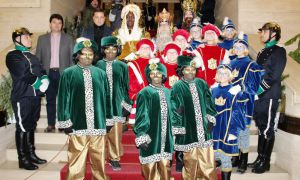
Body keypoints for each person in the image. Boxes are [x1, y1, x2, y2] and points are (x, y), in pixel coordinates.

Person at [57, 38, 111, 179]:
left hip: (98, 124)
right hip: (77, 124)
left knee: (99, 157)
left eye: (90, 54)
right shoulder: (68, 74)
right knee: (76, 158)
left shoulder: (101, 74)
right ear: (77, 55)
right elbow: (63, 99)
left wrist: (109, 119)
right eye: (84, 53)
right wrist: (65, 121)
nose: (87, 57)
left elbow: (107, 99)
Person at [6, 27, 48, 170]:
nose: (29, 39)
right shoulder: (13, 55)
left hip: (35, 97)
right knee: (23, 127)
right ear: (17, 39)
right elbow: (23, 74)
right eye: (26, 37)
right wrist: (38, 84)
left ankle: (31, 154)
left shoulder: (31, 55)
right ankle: (22, 159)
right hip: (22, 96)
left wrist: (45, 78)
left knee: (31, 125)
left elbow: (41, 70)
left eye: (29, 37)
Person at [171, 55, 217, 179]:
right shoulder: (177, 86)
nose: (190, 72)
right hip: (188, 129)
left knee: (207, 161)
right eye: (187, 69)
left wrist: (211, 118)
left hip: (204, 128)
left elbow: (209, 102)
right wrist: (178, 128)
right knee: (190, 161)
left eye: (193, 69)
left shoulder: (202, 83)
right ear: (182, 70)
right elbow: (175, 110)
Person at [249, 22, 287, 174]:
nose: (261, 34)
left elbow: (274, 75)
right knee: (260, 127)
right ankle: (259, 157)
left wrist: (259, 89)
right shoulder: (262, 52)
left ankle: (266, 161)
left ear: (273, 34)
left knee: (267, 128)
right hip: (259, 96)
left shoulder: (279, 51)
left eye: (264, 31)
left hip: (269, 94)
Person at [229, 32, 265, 173]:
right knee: (233, 131)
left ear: (245, 48)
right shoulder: (231, 63)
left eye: (240, 46)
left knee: (243, 132)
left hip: (244, 103)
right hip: (232, 102)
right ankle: (236, 157)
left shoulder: (252, 65)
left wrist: (241, 87)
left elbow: (255, 86)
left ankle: (244, 159)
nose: (237, 49)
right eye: (235, 47)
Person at [95, 36, 132, 171]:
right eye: (107, 49)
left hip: (117, 104)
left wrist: (127, 105)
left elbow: (126, 86)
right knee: (101, 133)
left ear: (118, 50)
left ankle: (114, 158)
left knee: (115, 134)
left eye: (114, 49)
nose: (111, 52)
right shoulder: (98, 65)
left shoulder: (123, 66)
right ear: (103, 50)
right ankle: (100, 157)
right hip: (102, 105)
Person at [134, 60, 173, 180]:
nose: (156, 75)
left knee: (165, 164)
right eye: (152, 73)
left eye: (158, 73)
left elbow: (174, 114)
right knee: (150, 167)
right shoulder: (144, 93)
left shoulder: (169, 92)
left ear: (163, 75)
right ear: (149, 76)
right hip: (151, 135)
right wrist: (141, 135)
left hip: (166, 137)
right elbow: (141, 115)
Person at [36, 14, 74, 133]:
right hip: (48, 74)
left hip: (63, 74)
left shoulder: (68, 39)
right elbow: (38, 58)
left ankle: (63, 123)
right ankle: (51, 124)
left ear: (62, 25)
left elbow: (72, 58)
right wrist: (40, 75)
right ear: (50, 24)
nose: (57, 25)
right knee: (50, 100)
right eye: (54, 22)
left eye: (59, 23)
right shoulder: (42, 39)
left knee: (64, 100)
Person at [211, 64, 248, 180]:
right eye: (220, 73)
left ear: (230, 76)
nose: (222, 76)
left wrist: (233, 131)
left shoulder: (234, 90)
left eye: (225, 74)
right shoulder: (213, 89)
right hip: (215, 128)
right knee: (215, 153)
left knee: (226, 157)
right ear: (217, 75)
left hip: (227, 127)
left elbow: (239, 111)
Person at [127, 38, 156, 125]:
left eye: (147, 48)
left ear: (151, 50)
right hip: (141, 96)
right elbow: (131, 82)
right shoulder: (133, 64)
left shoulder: (156, 62)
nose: (145, 50)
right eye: (143, 48)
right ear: (139, 50)